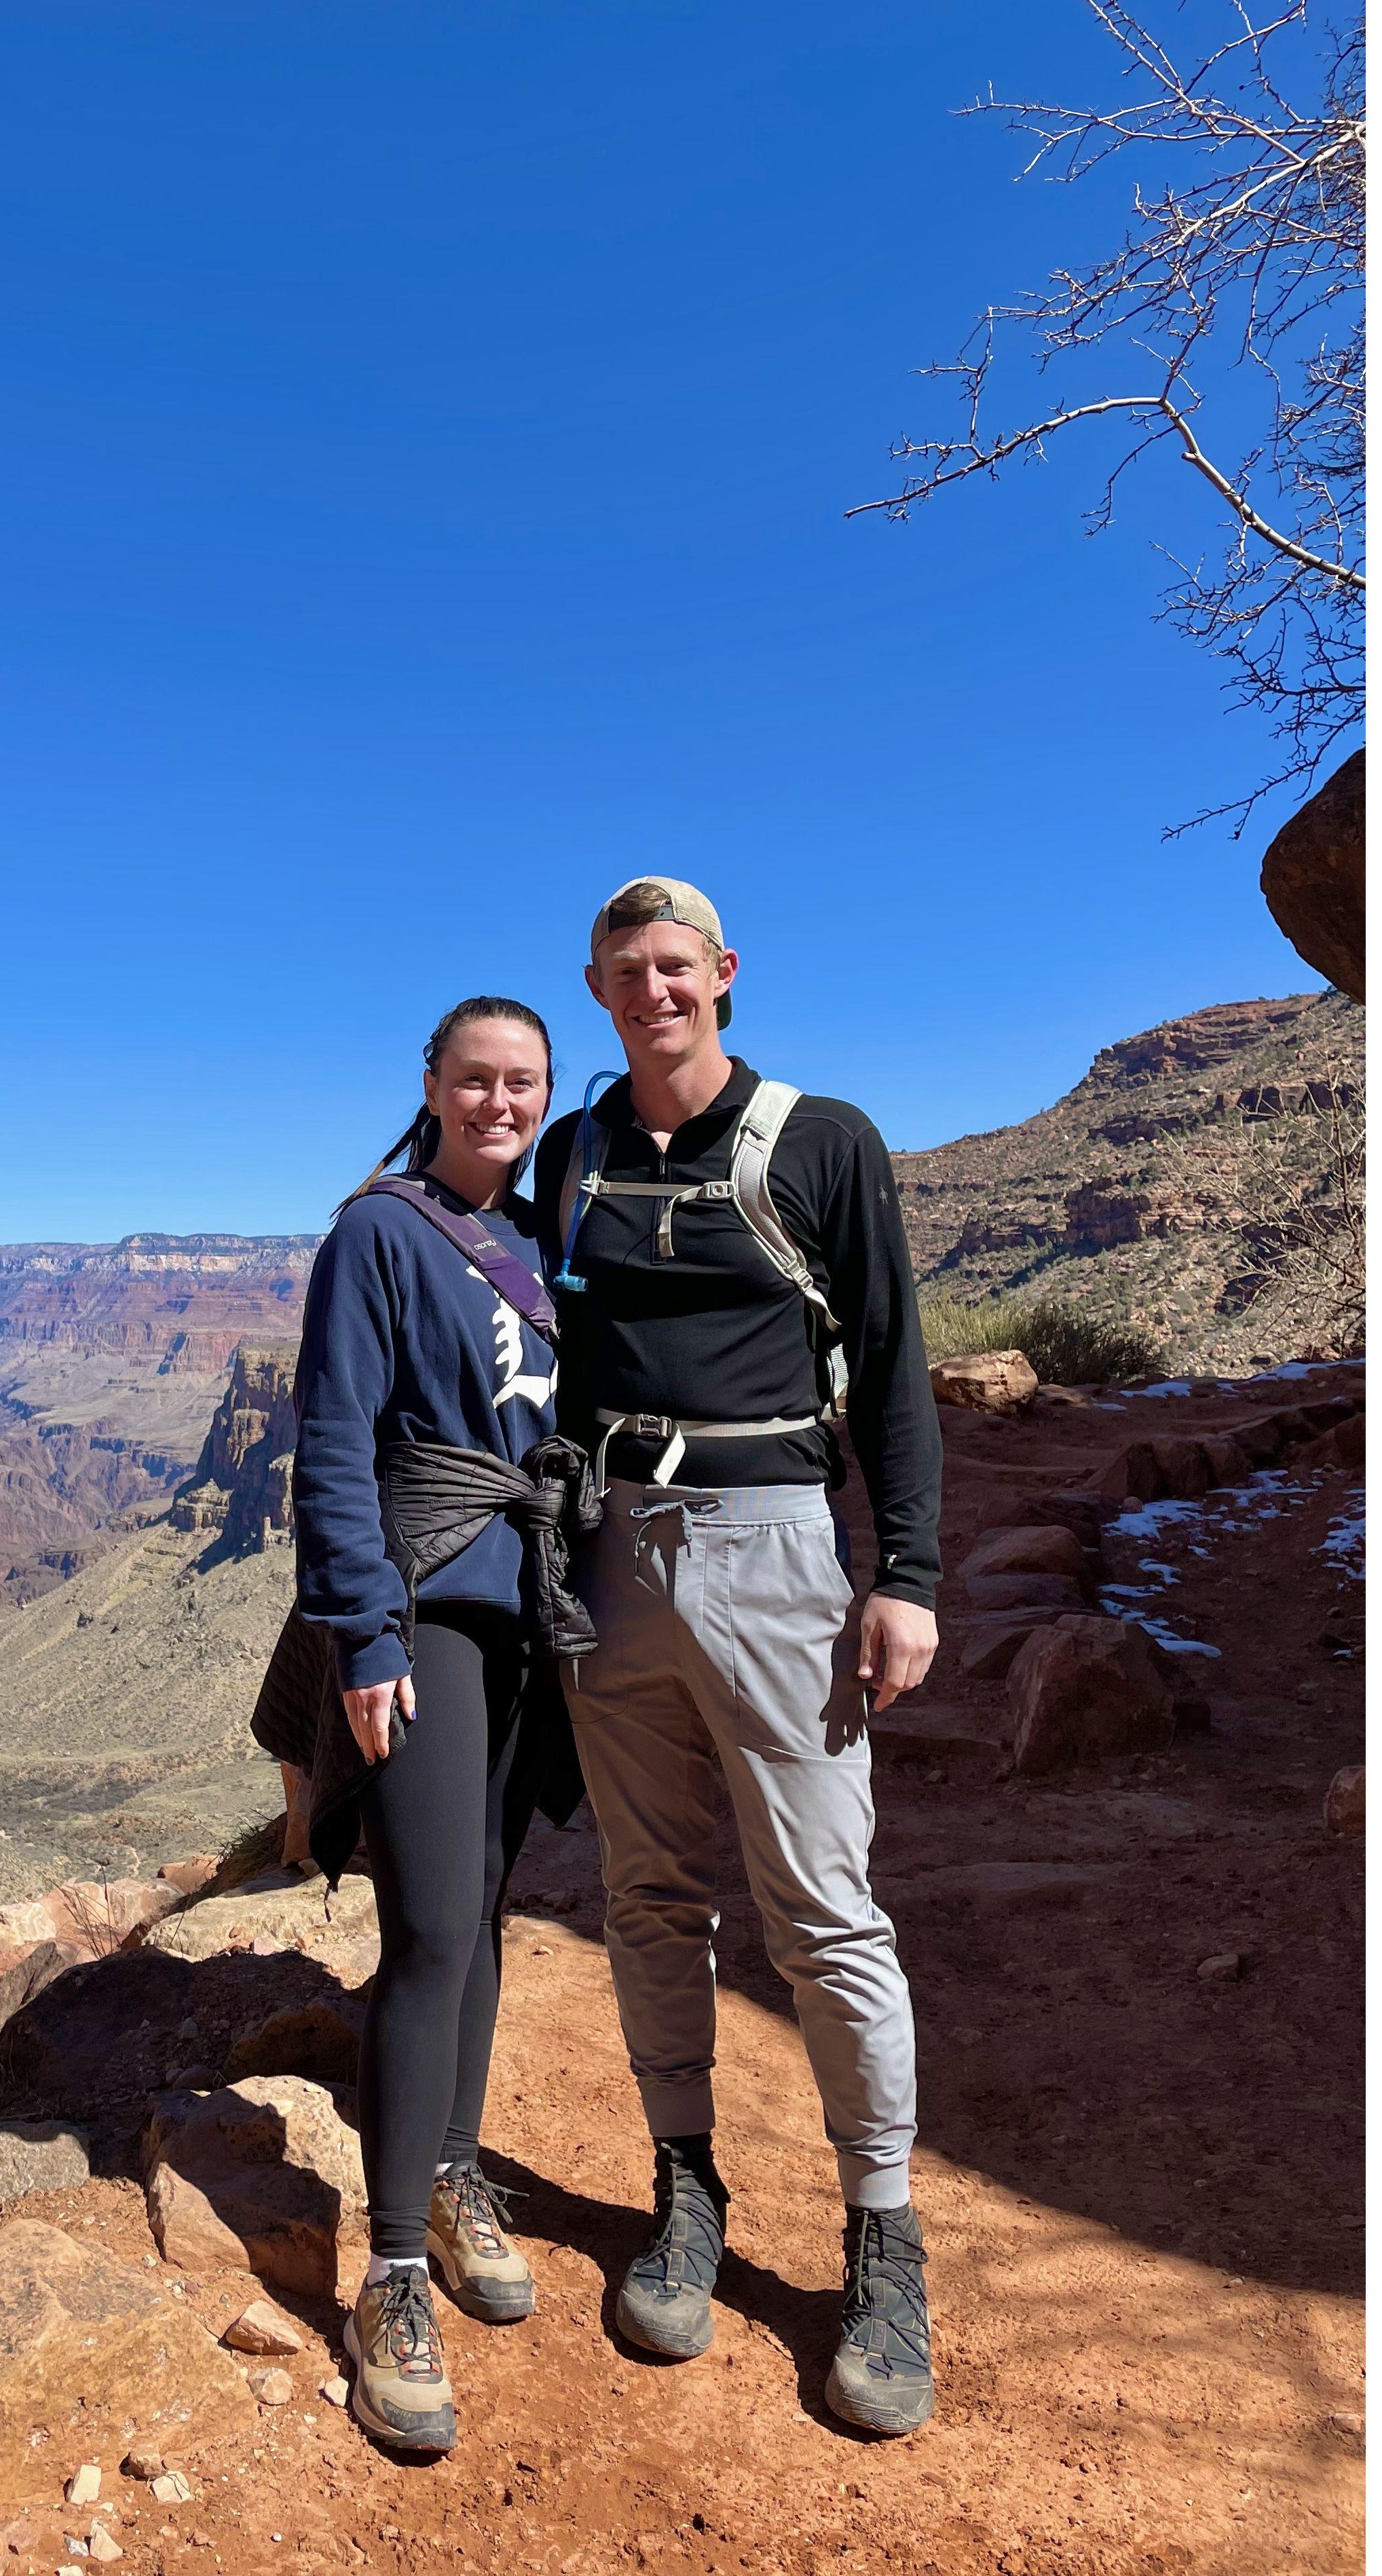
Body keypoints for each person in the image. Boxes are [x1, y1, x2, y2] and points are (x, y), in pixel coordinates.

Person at [530, 877, 945, 2437]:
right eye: (627, 972)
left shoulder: (819, 1140)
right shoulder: (572, 1156)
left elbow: (896, 1357)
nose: (655, 992)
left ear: (724, 976)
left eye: (677, 968)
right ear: (598, 986)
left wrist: (905, 1575)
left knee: (822, 1906)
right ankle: (685, 2189)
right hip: (608, 1551)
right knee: (649, 1893)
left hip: (773, 1549)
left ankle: (882, 2241)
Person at [278, 996, 591, 2459]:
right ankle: (392, 2268)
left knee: (485, 1910)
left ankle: (457, 2175)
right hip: (422, 1600)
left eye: (522, 1082)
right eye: (476, 1080)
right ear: (432, 1086)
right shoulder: (380, 1236)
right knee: (428, 1933)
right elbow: (335, 1436)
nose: (500, 1102)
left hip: (527, 1607)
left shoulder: (541, 1244)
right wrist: (363, 1627)